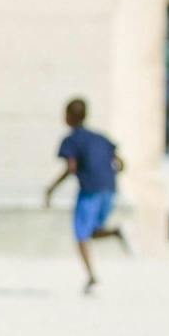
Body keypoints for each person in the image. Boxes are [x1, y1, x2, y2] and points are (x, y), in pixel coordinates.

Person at [44, 97, 127, 293]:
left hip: (89, 189)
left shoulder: (71, 140)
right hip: (109, 187)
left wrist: (51, 188)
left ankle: (92, 277)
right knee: (92, 231)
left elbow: (71, 167)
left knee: (81, 234)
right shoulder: (101, 138)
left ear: (70, 117)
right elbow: (121, 164)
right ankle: (117, 232)